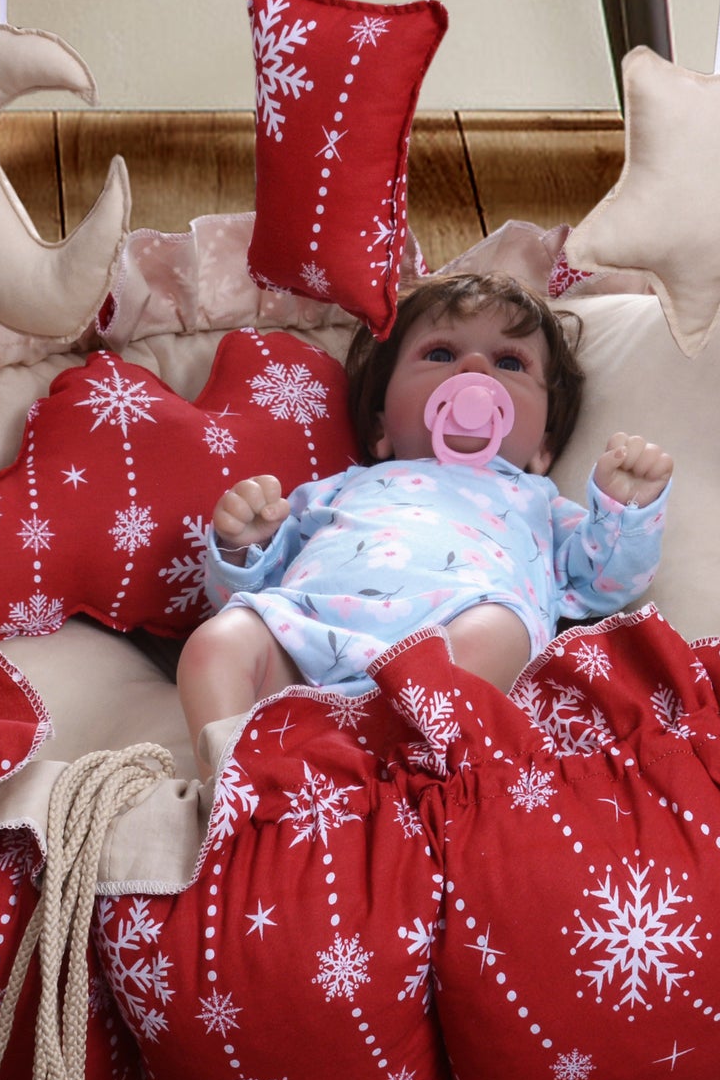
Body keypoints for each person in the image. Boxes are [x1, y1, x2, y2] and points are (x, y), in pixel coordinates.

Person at [177, 270, 674, 783]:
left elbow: (603, 582)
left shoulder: (537, 501)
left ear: (544, 448)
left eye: (509, 363)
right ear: (380, 428)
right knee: (215, 646)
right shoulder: (338, 487)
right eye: (440, 354)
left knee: (501, 628)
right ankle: (232, 794)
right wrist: (244, 545)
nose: (475, 372)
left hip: (447, 646)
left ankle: (397, 779)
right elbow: (246, 591)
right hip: (308, 638)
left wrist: (624, 508)